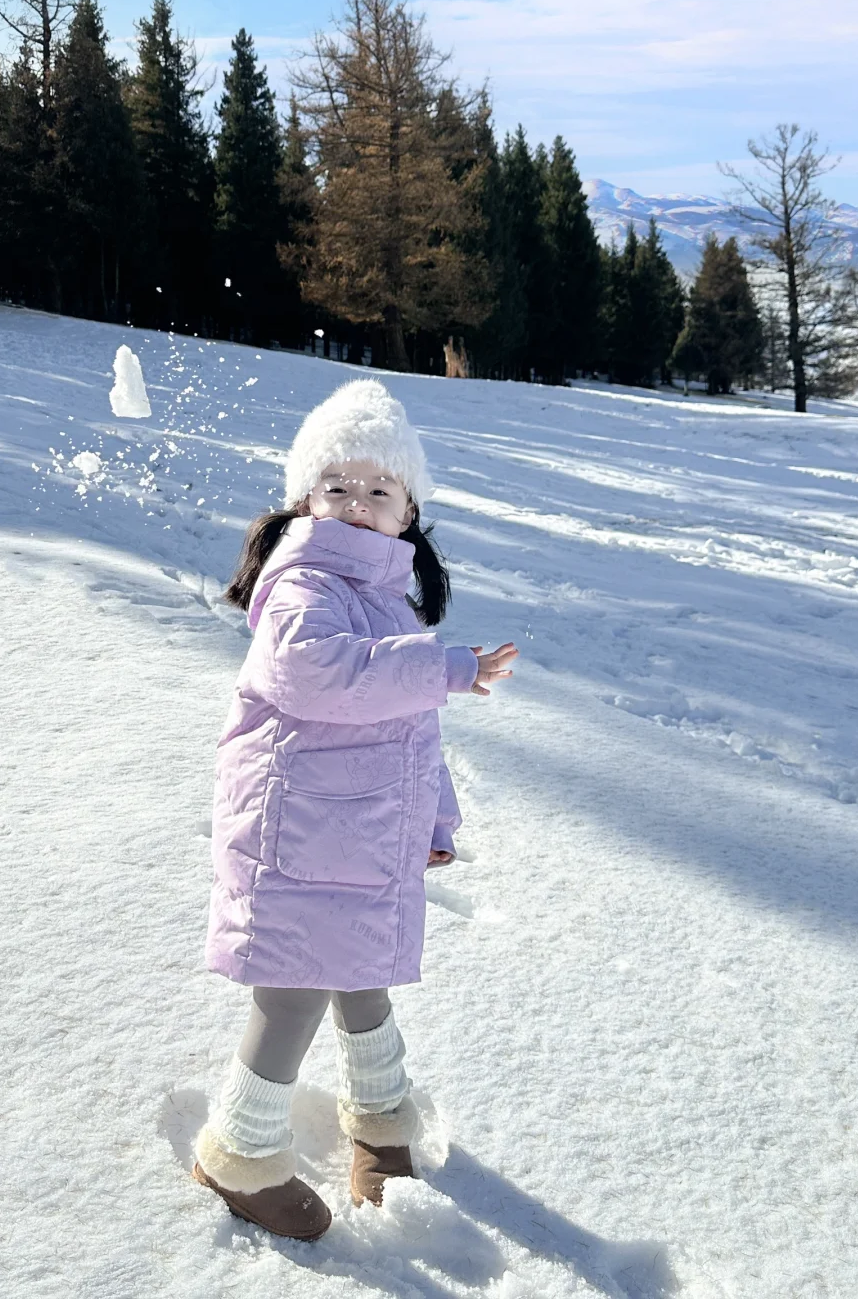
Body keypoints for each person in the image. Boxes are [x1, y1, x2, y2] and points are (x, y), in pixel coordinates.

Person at [193, 379, 517, 1240]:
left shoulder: (385, 596)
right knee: (294, 987)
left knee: (361, 971)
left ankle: (381, 1116)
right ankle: (240, 1150)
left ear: (407, 512)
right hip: (295, 833)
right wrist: (447, 667)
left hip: (360, 833)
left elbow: (408, 730)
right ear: (307, 499)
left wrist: (433, 824)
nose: (358, 504)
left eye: (380, 491)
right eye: (338, 488)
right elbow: (315, 675)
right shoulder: (303, 585)